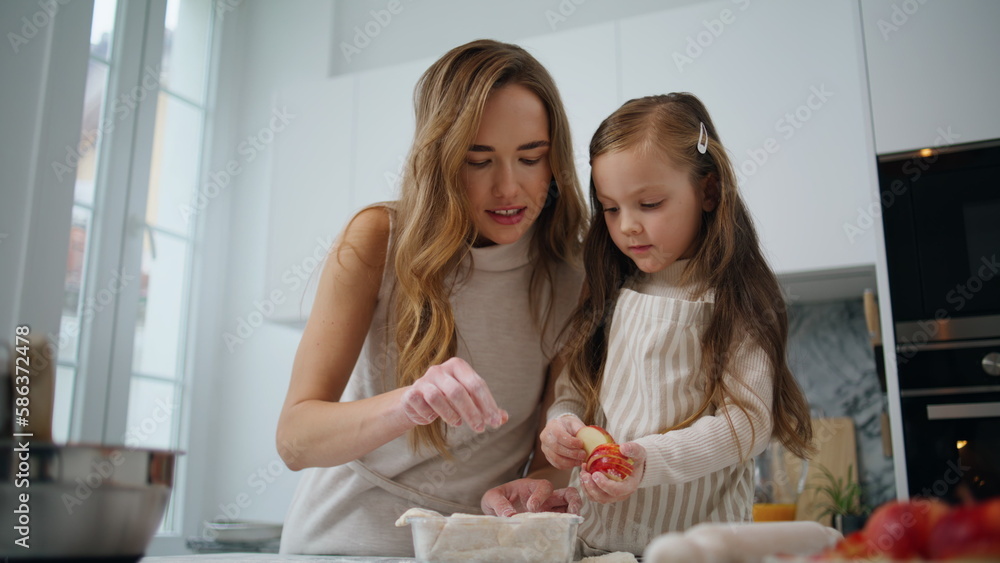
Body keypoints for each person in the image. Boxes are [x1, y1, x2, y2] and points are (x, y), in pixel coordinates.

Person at [276, 39, 588, 556]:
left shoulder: (570, 278)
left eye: (530, 157)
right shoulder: (377, 238)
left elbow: (549, 451)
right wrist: (409, 403)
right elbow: (295, 438)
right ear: (441, 158)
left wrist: (542, 484)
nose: (509, 187)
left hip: (472, 549)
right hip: (341, 544)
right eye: (478, 159)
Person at [537, 93, 815, 556]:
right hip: (598, 545)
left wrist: (649, 463)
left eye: (649, 203)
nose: (626, 226)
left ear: (707, 192)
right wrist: (560, 424)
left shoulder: (732, 301)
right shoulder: (608, 291)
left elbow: (746, 424)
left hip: (700, 549)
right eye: (610, 208)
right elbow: (573, 390)